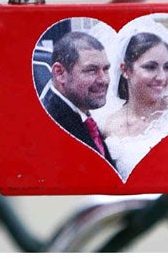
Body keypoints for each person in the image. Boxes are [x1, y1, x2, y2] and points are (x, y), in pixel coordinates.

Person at [95, 27, 168, 180]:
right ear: (125, 70)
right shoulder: (107, 127)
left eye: (167, 67)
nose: (162, 77)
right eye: (150, 67)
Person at [41, 30, 115, 168]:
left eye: (106, 69)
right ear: (60, 73)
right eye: (91, 70)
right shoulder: (51, 125)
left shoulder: (79, 114)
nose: (103, 80)